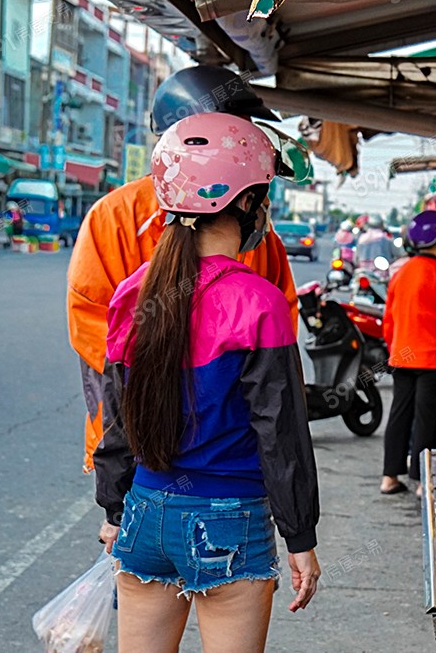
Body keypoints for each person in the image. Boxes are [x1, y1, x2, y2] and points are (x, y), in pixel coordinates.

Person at [95, 114, 320, 651]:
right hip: (228, 521)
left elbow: (116, 418)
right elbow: (280, 432)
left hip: (144, 514)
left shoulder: (132, 294)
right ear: (246, 202)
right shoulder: (259, 302)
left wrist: (113, 509)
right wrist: (300, 536)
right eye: (263, 197)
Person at [68, 65, 298, 473]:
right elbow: (96, 332)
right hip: (142, 441)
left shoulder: (258, 225)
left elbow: (278, 332)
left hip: (230, 454)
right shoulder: (115, 217)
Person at [381, 211, 436, 496]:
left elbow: (388, 321)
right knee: (427, 418)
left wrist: (395, 348)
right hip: (433, 358)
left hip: (402, 354)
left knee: (400, 414)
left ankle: (389, 477)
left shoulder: (400, 274)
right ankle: (421, 481)